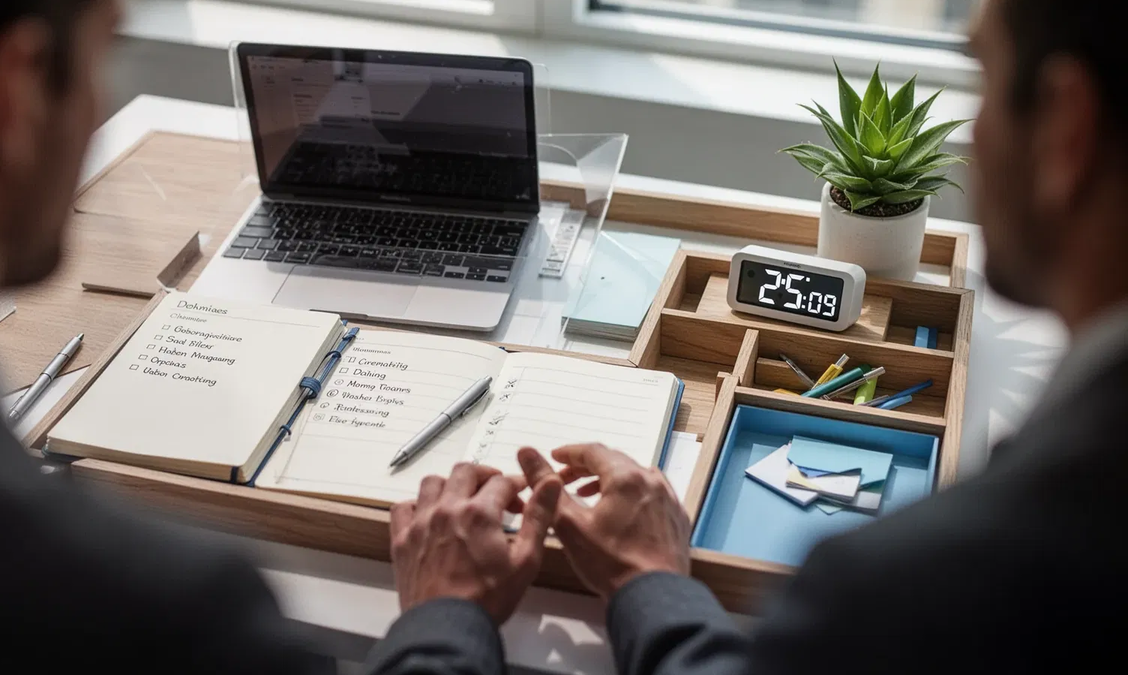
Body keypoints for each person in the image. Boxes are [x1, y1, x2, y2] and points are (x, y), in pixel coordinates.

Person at [368, 1, 1124, 673]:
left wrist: (643, 585)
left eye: (983, 78)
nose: (972, 139)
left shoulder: (913, 589)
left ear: (1065, 129)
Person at [0, 2, 565, 669]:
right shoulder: (169, 609)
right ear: (17, 90)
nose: (99, 107)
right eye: (100, 57)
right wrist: (447, 610)